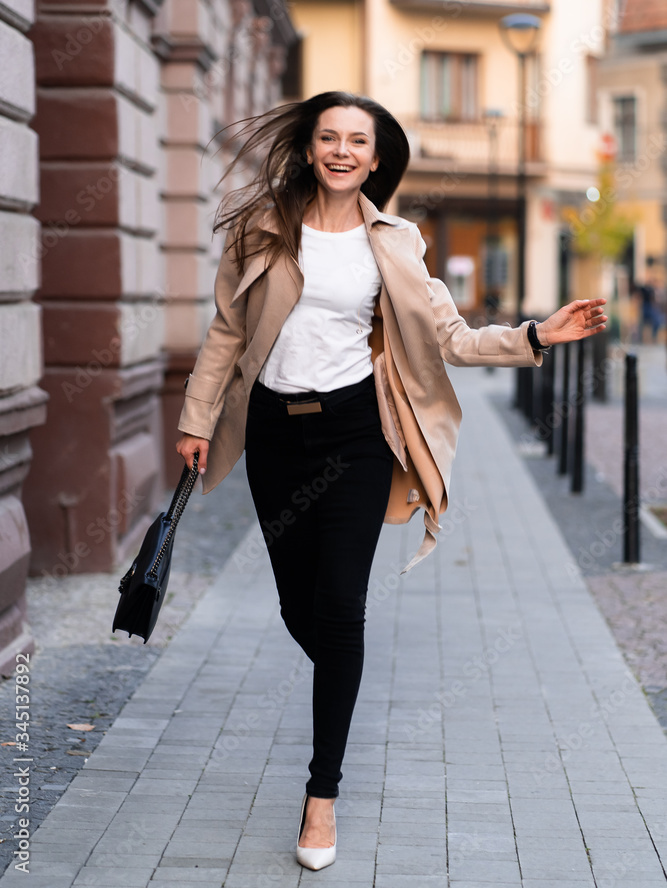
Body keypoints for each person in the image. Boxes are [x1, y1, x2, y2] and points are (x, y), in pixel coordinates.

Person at [175, 91, 607, 871]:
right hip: (273, 434)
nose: (342, 151)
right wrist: (196, 419)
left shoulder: (398, 241)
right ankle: (342, 674)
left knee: (340, 608)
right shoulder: (261, 227)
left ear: (377, 159)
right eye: (328, 137)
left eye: (357, 142)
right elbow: (227, 332)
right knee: (297, 607)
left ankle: (320, 796)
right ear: (309, 149)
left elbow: (451, 336)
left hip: (356, 435)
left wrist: (539, 333)